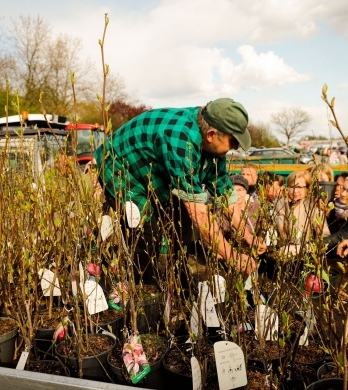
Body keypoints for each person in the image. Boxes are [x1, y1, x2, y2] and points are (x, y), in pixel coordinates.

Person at [94, 98, 257, 283]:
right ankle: (144, 286)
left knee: (183, 223)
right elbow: (200, 214)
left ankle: (177, 279)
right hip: (120, 169)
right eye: (233, 141)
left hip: (154, 169)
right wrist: (233, 257)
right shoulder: (181, 140)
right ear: (211, 134)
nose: (235, 147)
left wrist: (249, 238)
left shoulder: (213, 146)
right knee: (146, 234)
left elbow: (225, 194)